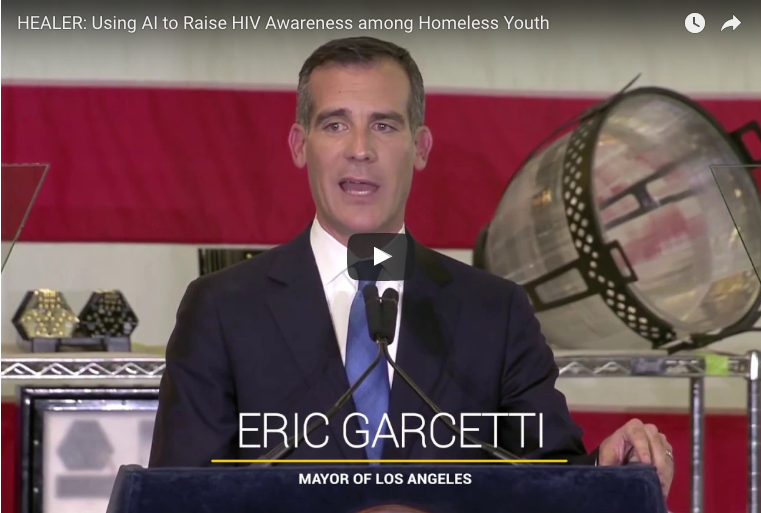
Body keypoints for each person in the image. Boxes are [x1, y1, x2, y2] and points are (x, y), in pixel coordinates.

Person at [149, 36, 674, 498]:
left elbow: (546, 480)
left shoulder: (496, 311)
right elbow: (182, 494)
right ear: (298, 145)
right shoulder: (222, 308)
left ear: (419, 147)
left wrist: (610, 470)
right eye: (335, 124)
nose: (360, 150)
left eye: (384, 125)